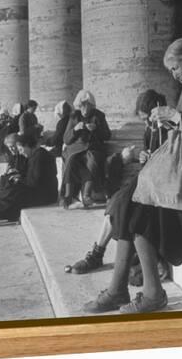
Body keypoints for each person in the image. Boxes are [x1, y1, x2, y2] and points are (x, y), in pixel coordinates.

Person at [84, 38, 182, 314]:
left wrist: (176, 117)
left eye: (175, 67)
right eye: (171, 71)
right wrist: (170, 122)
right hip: (180, 171)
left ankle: (151, 292)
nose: (175, 75)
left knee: (136, 206)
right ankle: (119, 289)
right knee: (126, 200)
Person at [65, 90, 167, 274]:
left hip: (160, 183)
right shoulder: (150, 129)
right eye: (144, 120)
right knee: (117, 201)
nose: (146, 124)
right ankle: (97, 252)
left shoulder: (168, 128)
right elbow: (66, 138)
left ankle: (97, 254)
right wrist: (143, 156)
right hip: (147, 178)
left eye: (148, 119)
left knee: (120, 202)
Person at [61, 90, 111, 208]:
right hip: (76, 148)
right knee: (71, 160)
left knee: (92, 160)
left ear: (92, 105)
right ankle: (69, 196)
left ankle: (86, 195)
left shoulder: (99, 115)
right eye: (83, 105)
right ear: (79, 105)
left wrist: (96, 129)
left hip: (93, 148)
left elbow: (107, 135)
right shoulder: (74, 116)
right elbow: (66, 139)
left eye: (88, 105)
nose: (85, 108)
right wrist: (75, 130)